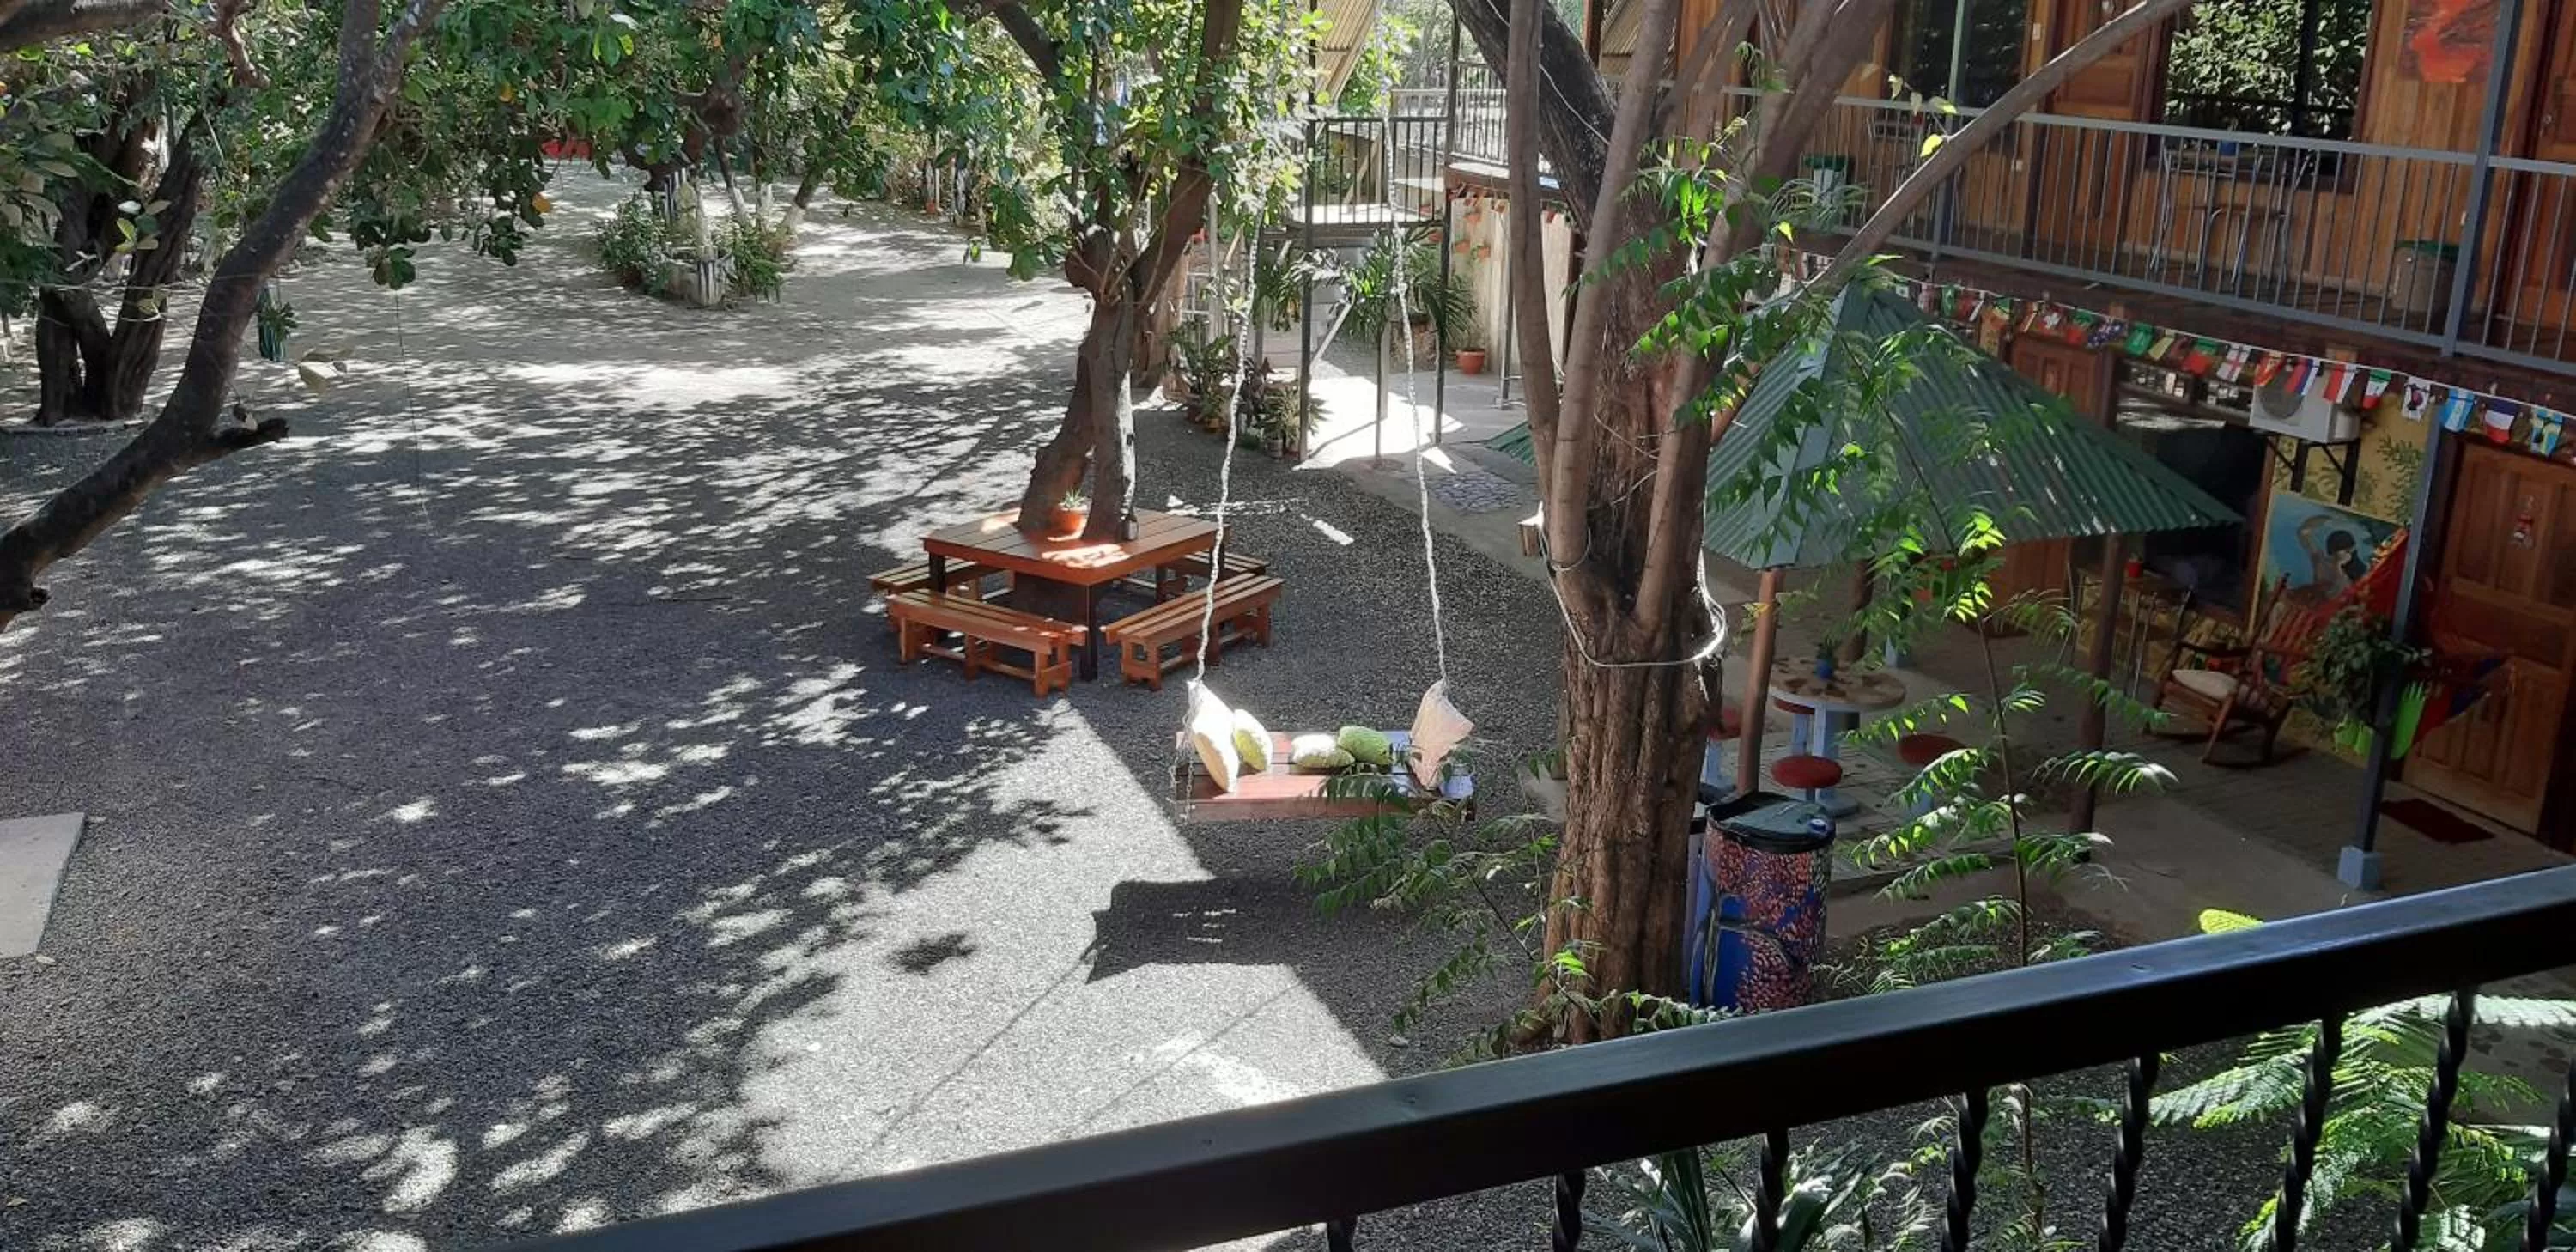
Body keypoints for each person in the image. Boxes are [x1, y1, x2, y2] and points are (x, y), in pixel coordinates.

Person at [2297, 514, 2369, 599]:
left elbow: (2334, 596)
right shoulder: (2320, 561)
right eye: (2332, 555)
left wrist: (2338, 568)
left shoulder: (2351, 577)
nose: (2332, 558)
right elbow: (2303, 532)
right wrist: (2330, 519)